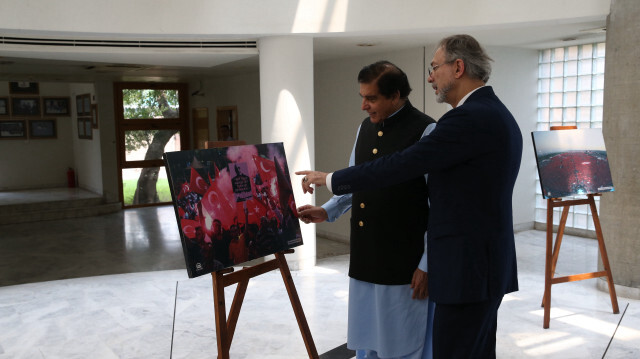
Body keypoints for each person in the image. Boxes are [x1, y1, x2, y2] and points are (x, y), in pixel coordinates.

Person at [297, 35, 523, 358]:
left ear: (458, 67)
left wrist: (330, 179)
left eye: (434, 68)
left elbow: (402, 165)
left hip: (466, 272)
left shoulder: (467, 120)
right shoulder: (493, 113)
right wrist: (330, 208)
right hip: (478, 269)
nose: (430, 77)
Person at [297, 60, 436, 359]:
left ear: (396, 95)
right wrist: (327, 211)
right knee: (366, 340)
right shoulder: (364, 128)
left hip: (404, 263)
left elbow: (438, 207)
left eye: (371, 98)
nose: (363, 106)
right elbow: (357, 178)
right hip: (365, 258)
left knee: (403, 344)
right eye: (362, 97)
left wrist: (427, 264)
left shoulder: (426, 131)